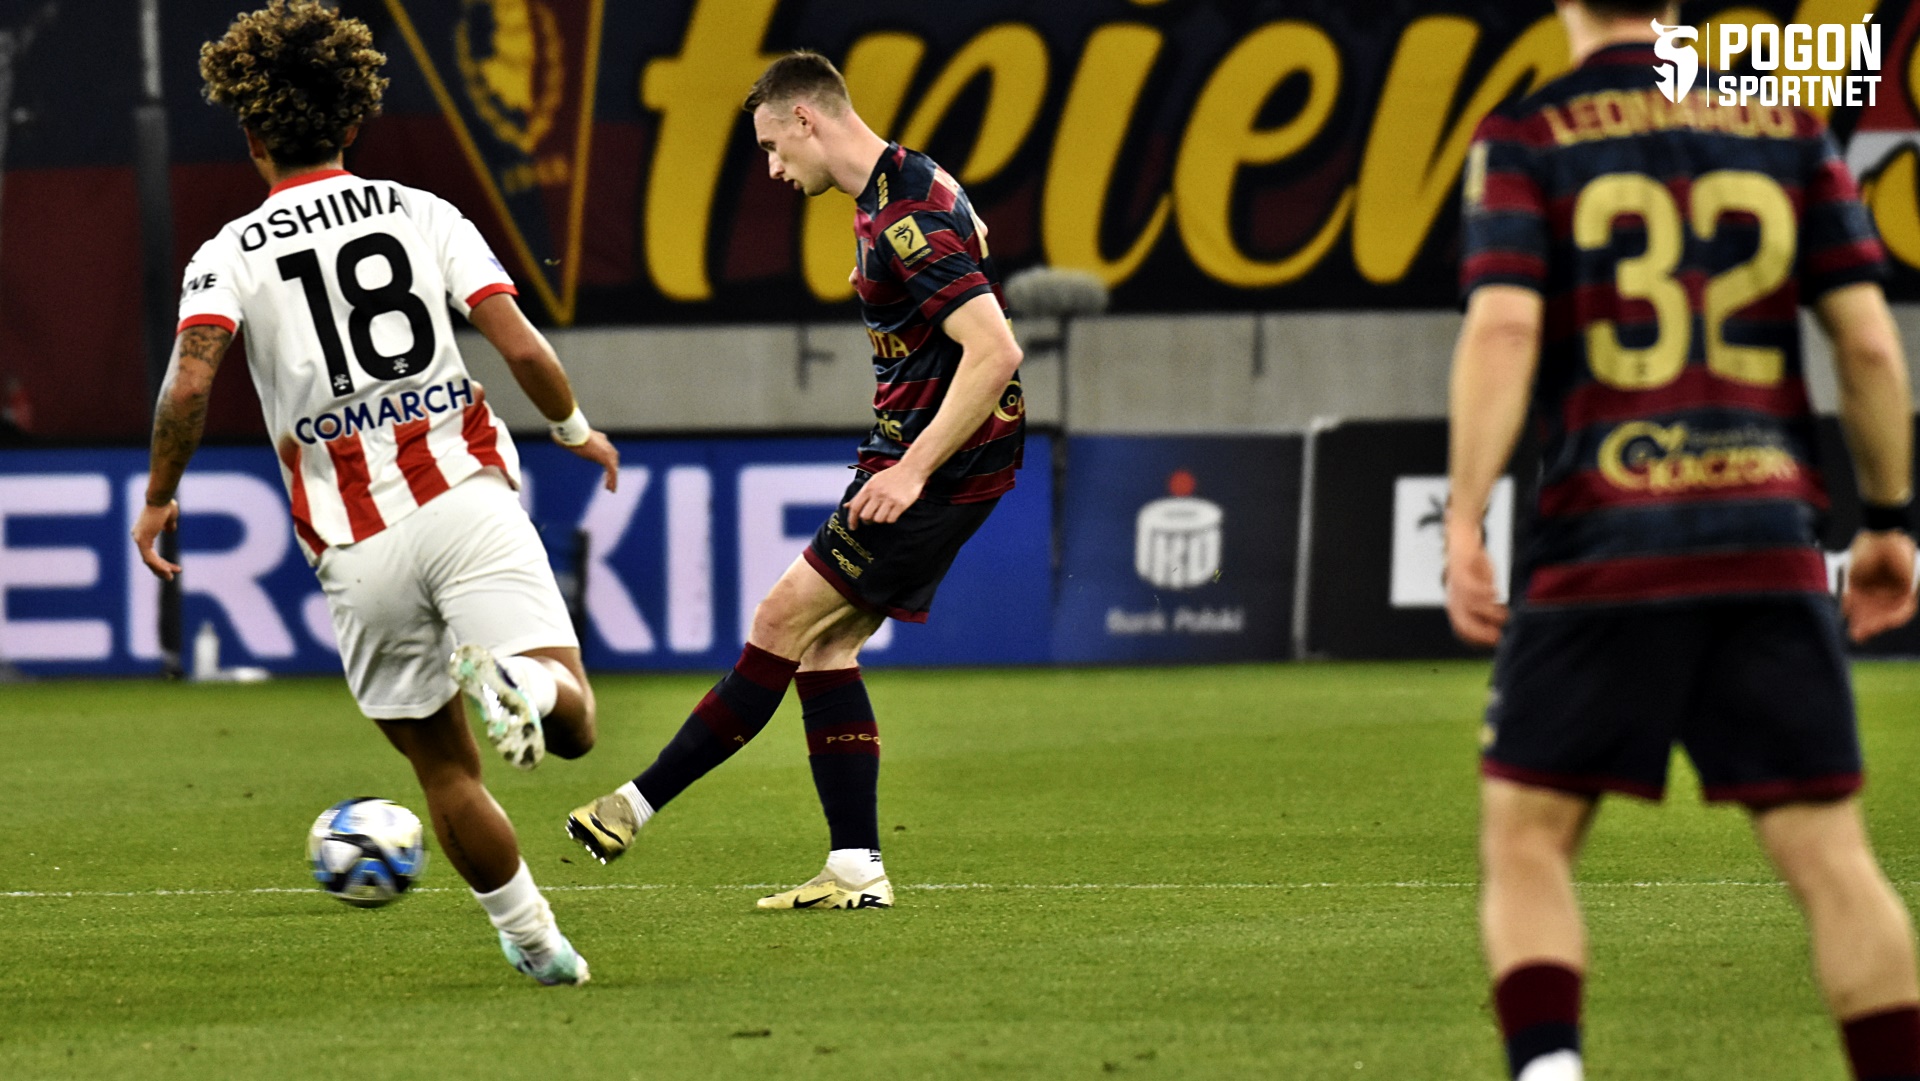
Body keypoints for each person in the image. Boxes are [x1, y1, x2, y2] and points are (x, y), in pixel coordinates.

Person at [1448, 2, 1920, 1078]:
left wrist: (1466, 516)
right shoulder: (1786, 129)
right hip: (1766, 535)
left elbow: (1506, 327)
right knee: (1832, 857)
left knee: (1528, 836)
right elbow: (1867, 346)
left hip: (1601, 540)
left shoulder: (1526, 135)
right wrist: (1890, 521)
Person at [131, 0, 618, 986]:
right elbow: (519, 344)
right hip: (463, 495)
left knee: (444, 768)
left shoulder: (227, 254)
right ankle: (527, 685)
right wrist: (574, 429)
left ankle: (537, 944)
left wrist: (158, 495)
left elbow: (188, 384)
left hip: (355, 543)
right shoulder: (421, 212)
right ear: (353, 120)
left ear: (252, 133)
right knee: (575, 726)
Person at [565, 50, 1024, 911]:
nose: (773, 169)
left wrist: (913, 470)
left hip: (937, 462)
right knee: (824, 645)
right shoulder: (904, 182)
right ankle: (855, 868)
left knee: (780, 621)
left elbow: (996, 350)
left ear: (807, 119)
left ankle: (631, 805)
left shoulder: (904, 217)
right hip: (934, 452)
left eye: (774, 147)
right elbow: (966, 259)